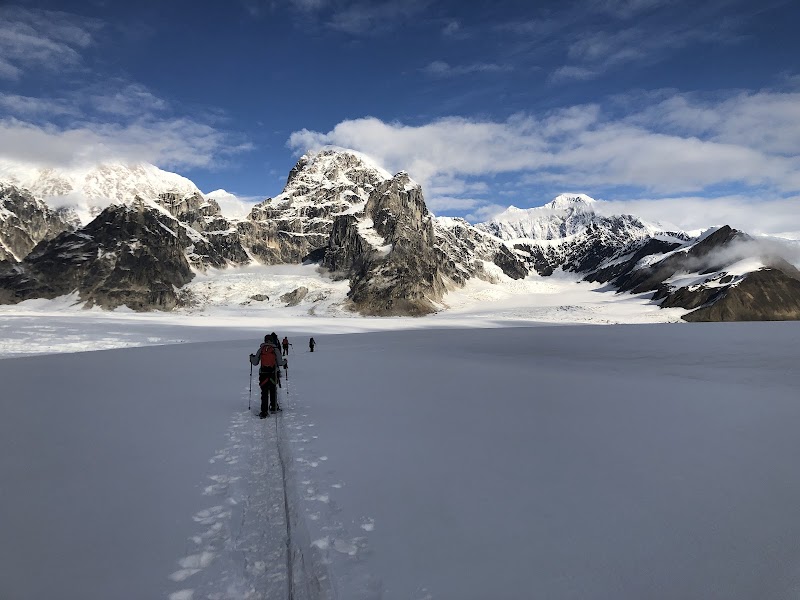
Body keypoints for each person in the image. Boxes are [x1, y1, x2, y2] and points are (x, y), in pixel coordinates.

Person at [253, 334, 286, 418]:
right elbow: (280, 363)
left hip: (263, 374)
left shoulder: (261, 349)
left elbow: (255, 362)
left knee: (264, 392)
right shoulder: (275, 349)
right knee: (273, 390)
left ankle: (264, 411)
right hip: (273, 373)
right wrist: (285, 361)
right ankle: (274, 407)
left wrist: (251, 358)